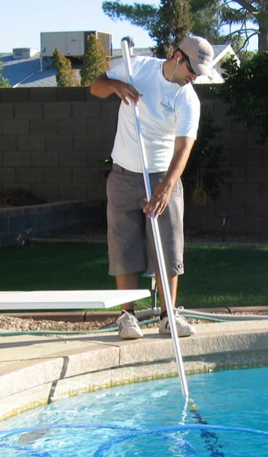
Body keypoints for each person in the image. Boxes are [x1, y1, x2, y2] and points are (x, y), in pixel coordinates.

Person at [89, 36, 217, 339]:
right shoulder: (138, 69)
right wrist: (116, 87)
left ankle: (168, 316)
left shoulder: (188, 99)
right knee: (124, 246)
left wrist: (165, 186)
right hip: (122, 174)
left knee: (168, 247)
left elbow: (184, 148)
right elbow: (96, 86)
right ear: (177, 57)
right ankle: (127, 316)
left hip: (163, 175)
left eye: (199, 73)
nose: (194, 77)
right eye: (193, 69)